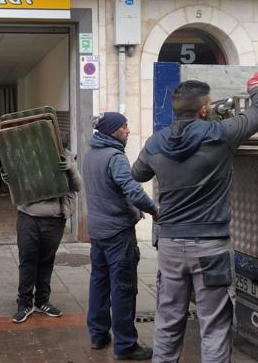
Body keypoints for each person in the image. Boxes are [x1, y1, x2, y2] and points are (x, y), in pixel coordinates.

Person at [131, 72, 258, 363]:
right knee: (214, 326)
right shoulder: (221, 134)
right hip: (211, 249)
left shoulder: (156, 142)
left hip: (170, 246)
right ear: (204, 109)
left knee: (169, 319)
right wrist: (256, 86)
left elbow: (137, 173)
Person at [83, 112, 158, 361]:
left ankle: (98, 335)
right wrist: (154, 209)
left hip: (98, 231)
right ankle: (125, 345)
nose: (128, 130)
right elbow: (133, 190)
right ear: (113, 130)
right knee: (123, 287)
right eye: (124, 126)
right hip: (117, 233)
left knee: (99, 283)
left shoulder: (91, 154)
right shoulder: (115, 157)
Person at [2, 132, 82, 324]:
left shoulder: (67, 157)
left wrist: (71, 169)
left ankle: (42, 301)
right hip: (28, 217)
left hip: (54, 220)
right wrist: (7, 178)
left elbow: (77, 186)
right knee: (27, 260)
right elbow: (17, 183)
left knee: (46, 261)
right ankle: (24, 303)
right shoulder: (27, 155)